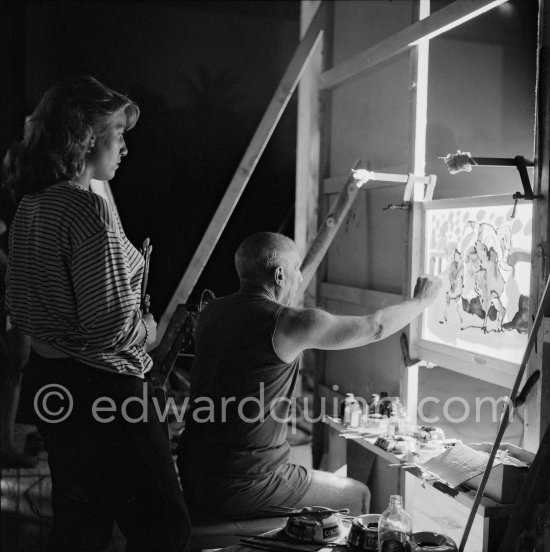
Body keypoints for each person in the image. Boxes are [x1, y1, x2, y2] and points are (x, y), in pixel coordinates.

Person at [4, 76, 190, 552]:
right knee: (164, 529)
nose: (125, 148)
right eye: (118, 134)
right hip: (107, 394)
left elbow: (19, 305)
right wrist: (148, 329)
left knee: (81, 526)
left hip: (51, 382)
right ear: (86, 136)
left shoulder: (31, 206)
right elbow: (111, 328)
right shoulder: (88, 210)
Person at [177, 231, 441, 520]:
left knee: (316, 482)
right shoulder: (289, 323)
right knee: (358, 495)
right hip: (246, 484)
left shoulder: (211, 312)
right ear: (279, 275)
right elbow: (375, 327)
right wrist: (422, 301)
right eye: (296, 270)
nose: (300, 279)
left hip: (193, 473)